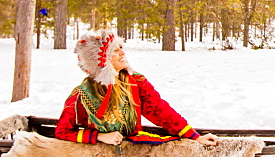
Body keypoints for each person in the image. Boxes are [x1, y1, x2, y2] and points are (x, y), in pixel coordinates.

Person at [55, 29, 218, 147]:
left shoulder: (136, 82)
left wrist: (194, 137)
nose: (122, 53)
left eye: (121, 48)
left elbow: (160, 111)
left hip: (134, 148)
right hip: (98, 154)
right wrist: (100, 136)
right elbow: (63, 131)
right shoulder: (82, 95)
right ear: (101, 63)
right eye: (114, 51)